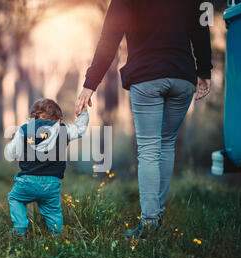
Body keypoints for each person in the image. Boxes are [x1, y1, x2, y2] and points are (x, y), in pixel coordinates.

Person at [75, 0, 213, 239]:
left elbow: (109, 38)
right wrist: (204, 72)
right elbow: (201, 28)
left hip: (147, 76)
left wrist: (90, 84)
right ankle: (156, 217)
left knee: (149, 148)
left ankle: (149, 223)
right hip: (182, 77)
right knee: (166, 143)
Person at [5, 98, 89, 236]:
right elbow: (80, 129)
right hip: (52, 183)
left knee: (15, 198)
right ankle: (58, 235)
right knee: (53, 211)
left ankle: (19, 227)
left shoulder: (24, 130)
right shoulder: (63, 129)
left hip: (27, 181)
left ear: (34, 116)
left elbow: (11, 152)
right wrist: (83, 112)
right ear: (57, 119)